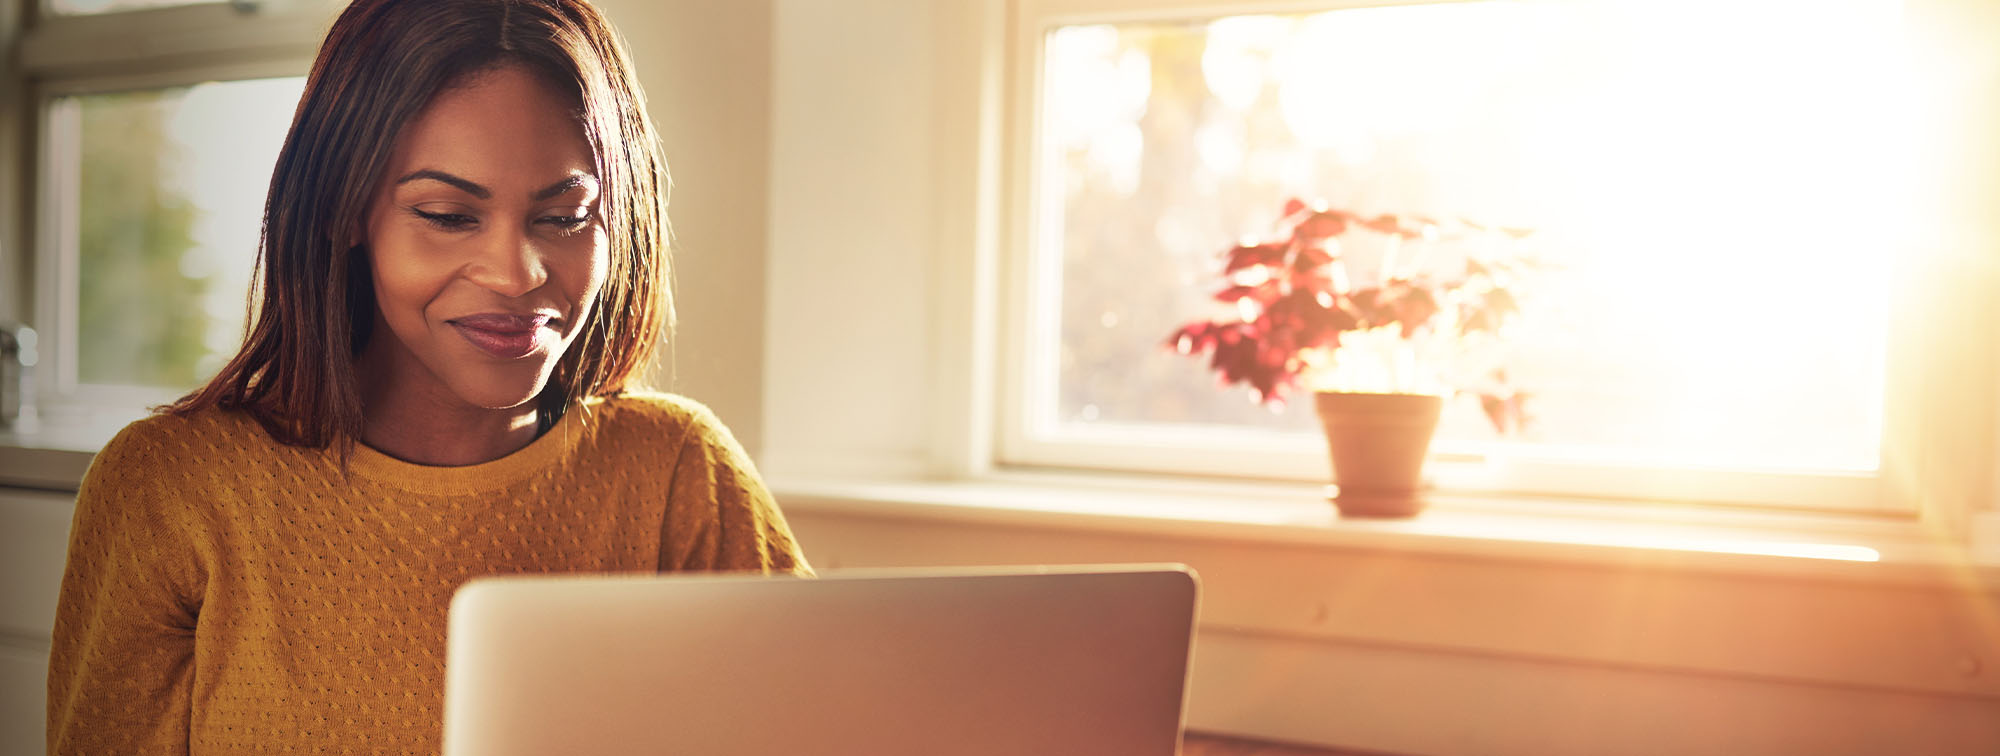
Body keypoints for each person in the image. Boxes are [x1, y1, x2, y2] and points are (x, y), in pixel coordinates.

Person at [46, 0, 810, 752]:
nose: (516, 274)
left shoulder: (677, 471)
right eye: (447, 215)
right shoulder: (169, 490)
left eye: (565, 216)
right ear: (344, 209)